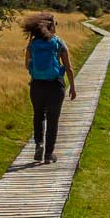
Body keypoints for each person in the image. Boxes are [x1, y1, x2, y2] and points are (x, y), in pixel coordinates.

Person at [23, 12, 76, 164]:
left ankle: (39, 144)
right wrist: (72, 87)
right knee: (53, 120)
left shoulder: (32, 44)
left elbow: (27, 65)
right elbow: (69, 68)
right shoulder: (58, 42)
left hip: (37, 86)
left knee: (38, 115)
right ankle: (49, 154)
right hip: (55, 86)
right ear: (51, 26)